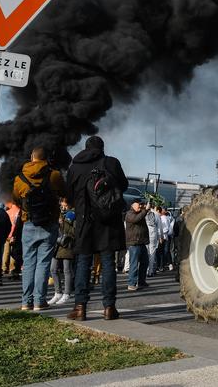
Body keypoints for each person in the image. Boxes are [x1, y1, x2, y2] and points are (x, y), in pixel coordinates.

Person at [65, 136, 128, 321]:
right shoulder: (111, 162)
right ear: (102, 148)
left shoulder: (75, 167)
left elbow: (68, 195)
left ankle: (80, 307)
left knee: (83, 263)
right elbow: (123, 186)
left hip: (84, 221)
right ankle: (109, 307)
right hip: (108, 221)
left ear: (85, 148)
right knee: (108, 263)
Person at [12, 147, 66, 311]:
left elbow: (15, 198)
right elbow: (64, 192)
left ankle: (25, 302)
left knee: (28, 263)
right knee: (43, 263)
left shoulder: (19, 178)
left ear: (32, 157)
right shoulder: (54, 174)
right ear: (46, 158)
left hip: (28, 222)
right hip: (49, 223)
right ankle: (39, 301)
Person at [48, 202, 75, 305]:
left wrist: (64, 223)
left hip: (67, 244)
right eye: (61, 205)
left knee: (67, 270)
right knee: (53, 269)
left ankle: (67, 293)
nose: (63, 207)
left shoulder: (72, 214)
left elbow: (74, 231)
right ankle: (57, 293)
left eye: (65, 205)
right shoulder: (58, 213)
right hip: (57, 244)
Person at [125, 200, 150, 291]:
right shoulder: (129, 214)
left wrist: (146, 209)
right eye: (138, 204)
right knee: (134, 264)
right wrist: (145, 210)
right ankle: (131, 283)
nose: (140, 206)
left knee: (145, 262)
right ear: (132, 205)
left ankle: (141, 282)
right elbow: (136, 219)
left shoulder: (140, 213)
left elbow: (142, 216)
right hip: (134, 243)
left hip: (141, 242)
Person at [146, 204, 159, 277]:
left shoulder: (143, 212)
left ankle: (146, 270)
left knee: (146, 252)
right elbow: (159, 226)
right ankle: (150, 271)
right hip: (153, 233)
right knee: (152, 252)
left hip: (146, 233)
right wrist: (160, 236)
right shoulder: (156, 214)